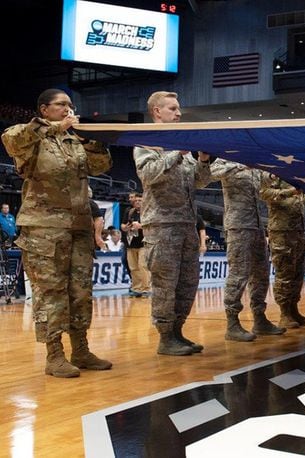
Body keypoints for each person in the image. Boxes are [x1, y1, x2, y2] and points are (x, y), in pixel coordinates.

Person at [1, 88, 113, 377]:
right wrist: (52, 128)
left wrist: (88, 140)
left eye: (70, 105)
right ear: (44, 109)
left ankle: (81, 349)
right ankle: (54, 355)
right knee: (50, 293)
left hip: (78, 227)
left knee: (80, 291)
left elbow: (102, 166)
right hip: (44, 229)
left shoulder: (75, 141)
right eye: (61, 105)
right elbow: (11, 139)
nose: (68, 109)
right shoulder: (32, 137)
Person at [134, 91, 211, 356]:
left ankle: (178, 331)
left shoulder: (184, 147)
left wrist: (201, 161)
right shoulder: (146, 142)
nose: (178, 114)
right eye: (173, 109)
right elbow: (148, 174)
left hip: (187, 225)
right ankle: (165, 337)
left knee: (187, 283)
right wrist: (175, 152)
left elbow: (198, 182)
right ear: (157, 111)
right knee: (165, 285)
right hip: (162, 225)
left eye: (178, 109)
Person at [209, 159, 286, 340]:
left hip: (256, 226)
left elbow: (266, 180)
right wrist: (240, 164)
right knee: (238, 273)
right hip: (238, 226)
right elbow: (212, 172)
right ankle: (232, 323)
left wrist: (276, 170)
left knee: (261, 274)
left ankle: (260, 318)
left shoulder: (254, 167)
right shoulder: (224, 161)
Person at [260, 175, 305, 328]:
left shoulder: (296, 175)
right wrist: (288, 192)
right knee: (284, 273)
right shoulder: (273, 173)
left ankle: (293, 309)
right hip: (281, 231)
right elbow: (264, 193)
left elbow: (298, 199)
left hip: (297, 231)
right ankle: (284, 313)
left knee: (297, 273)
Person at [122, 193, 150, 297]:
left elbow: (154, 225)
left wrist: (141, 226)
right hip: (131, 243)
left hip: (144, 242)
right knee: (133, 267)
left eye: (140, 200)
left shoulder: (148, 212)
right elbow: (123, 225)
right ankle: (137, 288)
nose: (137, 202)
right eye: (136, 200)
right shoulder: (130, 212)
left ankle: (146, 288)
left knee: (143, 266)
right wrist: (126, 227)